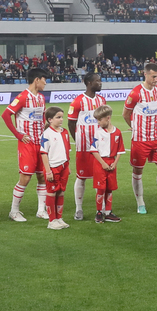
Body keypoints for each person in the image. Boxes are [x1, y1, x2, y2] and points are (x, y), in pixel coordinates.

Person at [4, 67, 48, 222]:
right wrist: (18, 135)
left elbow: (43, 117)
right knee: (25, 178)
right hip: (27, 143)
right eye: (44, 80)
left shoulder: (41, 98)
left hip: (40, 143)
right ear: (37, 80)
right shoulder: (22, 97)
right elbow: (6, 115)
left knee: (42, 176)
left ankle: (41, 210)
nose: (45, 83)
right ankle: (14, 211)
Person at [124, 62, 157, 215]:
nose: (156, 79)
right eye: (153, 76)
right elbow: (125, 114)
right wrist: (134, 126)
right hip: (140, 139)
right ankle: (140, 202)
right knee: (138, 170)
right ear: (145, 74)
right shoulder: (136, 93)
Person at [68, 72, 107, 220]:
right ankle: (79, 209)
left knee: (101, 176)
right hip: (84, 147)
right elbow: (71, 123)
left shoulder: (102, 100)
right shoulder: (78, 101)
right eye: (97, 81)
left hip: (101, 146)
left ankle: (102, 208)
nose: (100, 83)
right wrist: (78, 140)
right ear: (89, 83)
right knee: (81, 177)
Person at [39, 107, 72, 230]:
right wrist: (48, 171)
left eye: (62, 117)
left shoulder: (65, 132)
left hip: (64, 166)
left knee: (61, 191)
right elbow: (44, 153)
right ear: (50, 119)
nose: (61, 119)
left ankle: (59, 218)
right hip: (53, 168)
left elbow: (67, 150)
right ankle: (51, 220)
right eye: (58, 117)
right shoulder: (47, 134)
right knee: (51, 192)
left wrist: (68, 166)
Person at [91, 105, 124, 222]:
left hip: (111, 162)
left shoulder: (117, 132)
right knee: (100, 189)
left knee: (110, 188)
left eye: (100, 120)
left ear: (108, 118)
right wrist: (103, 163)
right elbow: (94, 150)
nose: (98, 122)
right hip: (100, 163)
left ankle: (108, 212)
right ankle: (99, 212)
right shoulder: (98, 133)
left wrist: (115, 163)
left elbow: (120, 150)